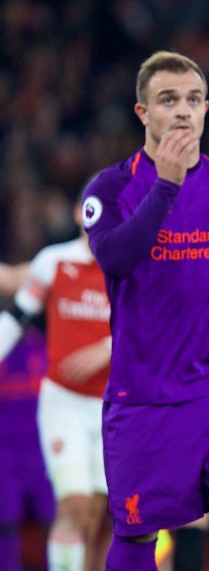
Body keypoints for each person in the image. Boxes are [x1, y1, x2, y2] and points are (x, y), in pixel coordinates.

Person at [81, 50, 209, 571]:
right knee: (138, 534)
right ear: (143, 112)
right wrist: (166, 185)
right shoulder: (111, 188)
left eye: (193, 100)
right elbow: (117, 260)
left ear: (207, 108)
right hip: (145, 396)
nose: (184, 111)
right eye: (169, 100)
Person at [0, 192, 113, 571]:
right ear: (79, 213)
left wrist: (108, 347)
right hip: (63, 402)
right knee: (74, 504)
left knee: (98, 514)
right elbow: (18, 316)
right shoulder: (54, 261)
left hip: (112, 407)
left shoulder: (129, 269)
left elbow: (156, 327)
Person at [0, 327, 55, 570]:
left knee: (54, 522)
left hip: (43, 449)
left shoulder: (46, 343)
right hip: (5, 452)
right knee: (6, 526)